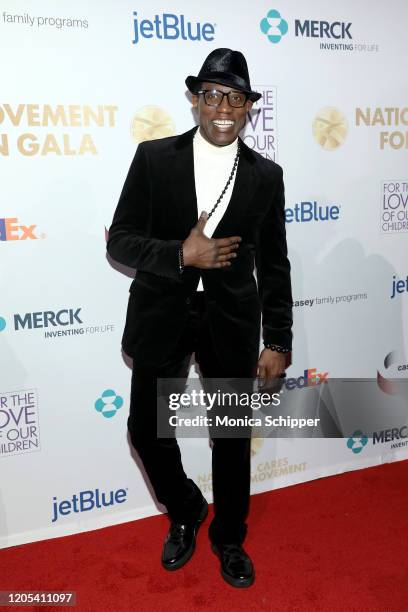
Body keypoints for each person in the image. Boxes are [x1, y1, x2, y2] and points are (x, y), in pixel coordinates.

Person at [107, 48, 293, 588]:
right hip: (161, 312)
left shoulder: (267, 176)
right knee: (146, 429)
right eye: (211, 96)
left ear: (248, 106)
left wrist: (278, 338)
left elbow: (275, 263)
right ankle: (187, 509)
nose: (223, 108)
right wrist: (180, 255)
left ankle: (229, 536)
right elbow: (120, 239)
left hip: (232, 321)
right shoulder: (153, 158)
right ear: (194, 101)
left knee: (231, 436)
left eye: (235, 98)